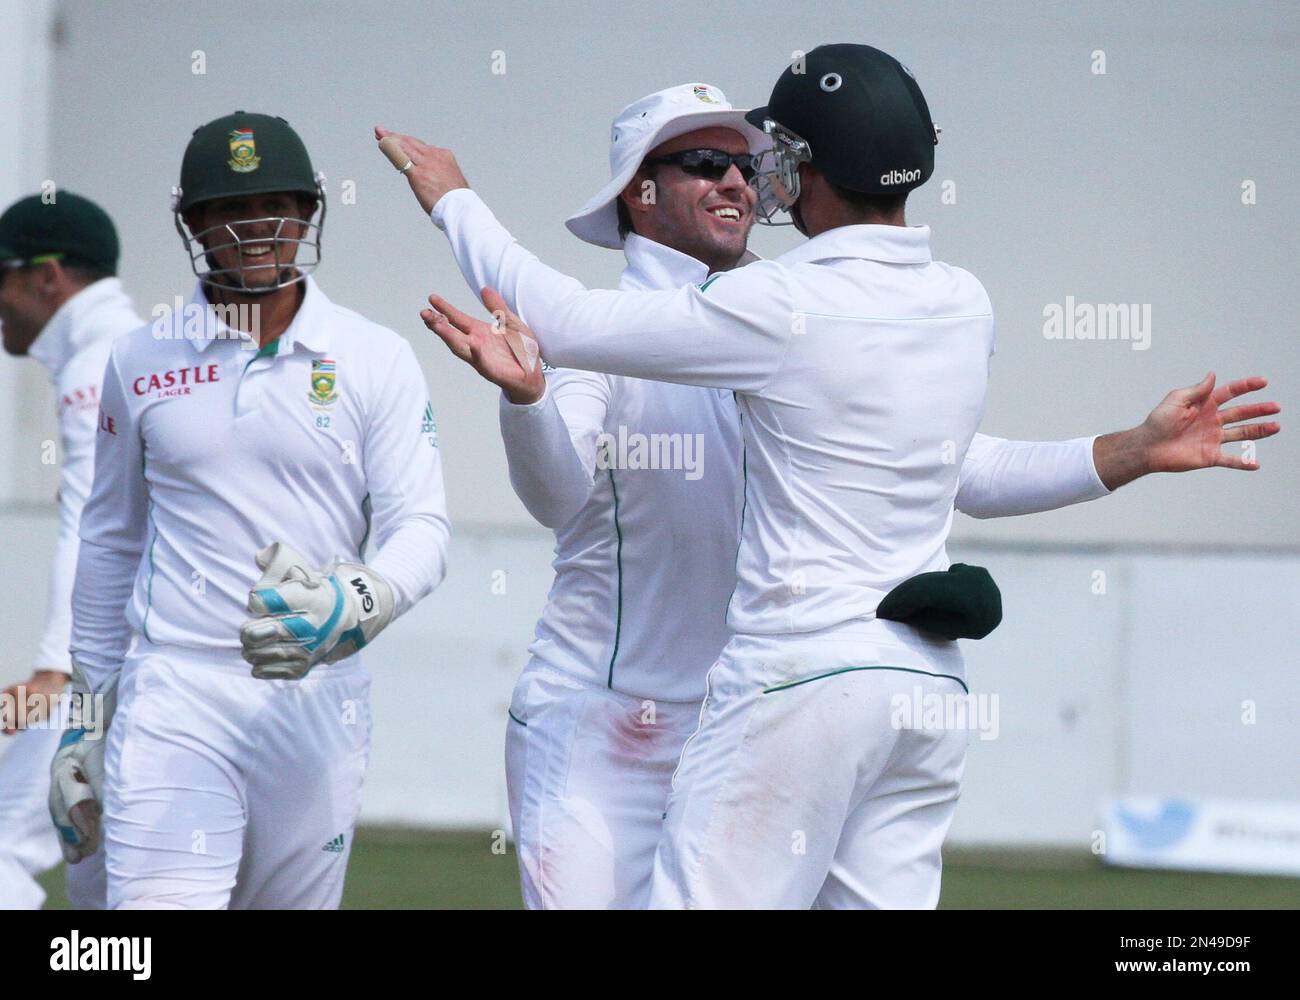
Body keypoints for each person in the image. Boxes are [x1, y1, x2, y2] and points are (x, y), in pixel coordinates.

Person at [377, 67, 1278, 909]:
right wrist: (528, 398)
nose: (738, 180)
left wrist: (452, 197)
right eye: (703, 162)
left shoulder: (777, 307)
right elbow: (558, 497)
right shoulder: (882, 303)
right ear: (633, 193)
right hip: (615, 725)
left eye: (747, 161)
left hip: (770, 707)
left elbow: (953, 468)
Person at [49, 112, 451, 909]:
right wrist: (87, 715)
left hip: (318, 695)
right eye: (230, 209)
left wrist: (358, 598)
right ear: (193, 223)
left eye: (277, 204)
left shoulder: (375, 356)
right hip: (176, 690)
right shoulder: (142, 358)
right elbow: (108, 541)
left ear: (308, 214)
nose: (258, 227)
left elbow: (423, 528)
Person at [0, 192, 141, 909]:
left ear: (47, 276)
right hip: (153, 670)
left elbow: (89, 526)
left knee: (3, 847)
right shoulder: (137, 349)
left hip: (106, 670)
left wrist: (55, 669)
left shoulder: (99, 368)